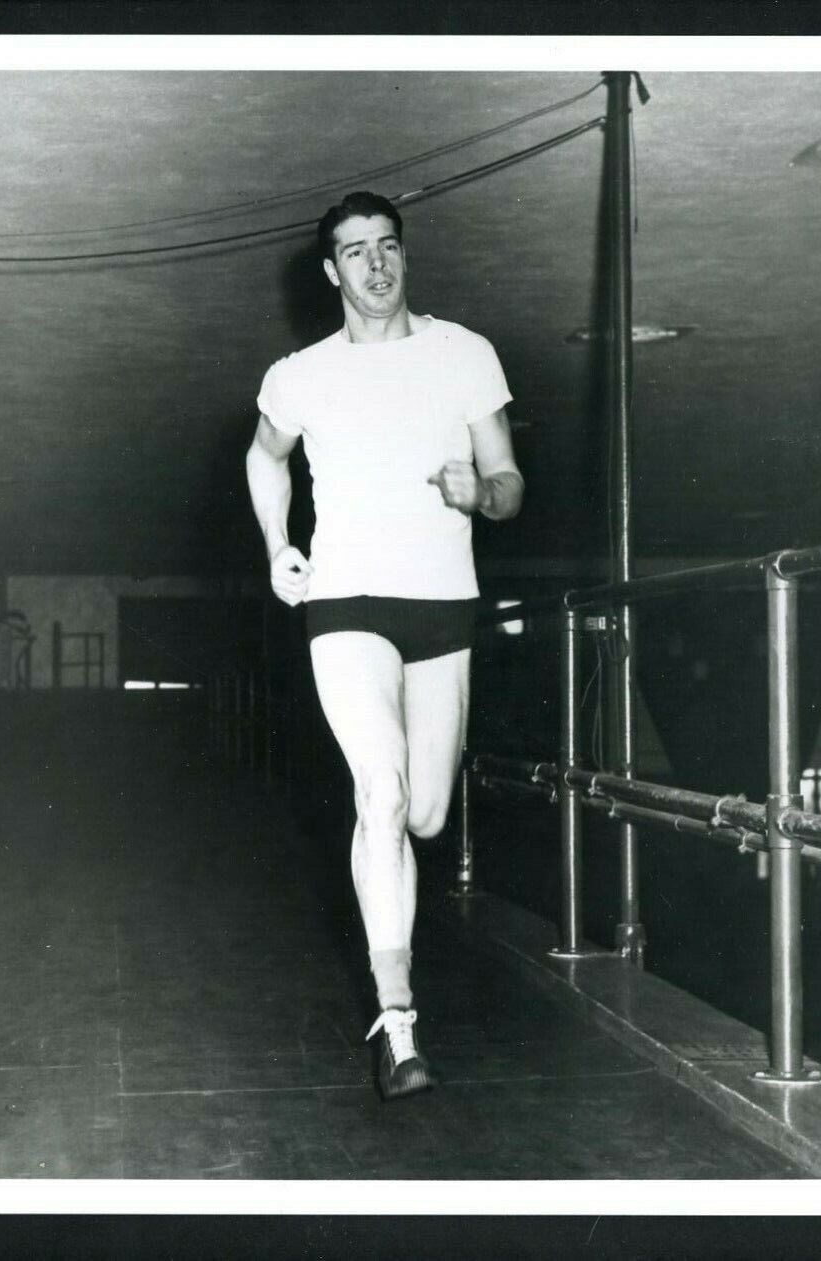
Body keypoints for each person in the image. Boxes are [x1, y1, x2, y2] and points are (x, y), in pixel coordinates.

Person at [245, 191, 524, 1101]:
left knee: (427, 815)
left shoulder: (463, 354)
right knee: (381, 789)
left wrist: (475, 494)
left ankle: (395, 927)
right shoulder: (300, 375)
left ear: (404, 256)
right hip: (345, 598)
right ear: (331, 271)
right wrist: (278, 544)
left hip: (443, 601)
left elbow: (510, 483)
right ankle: (397, 1023)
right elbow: (265, 455)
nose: (375, 265)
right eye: (355, 252)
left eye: (387, 246)